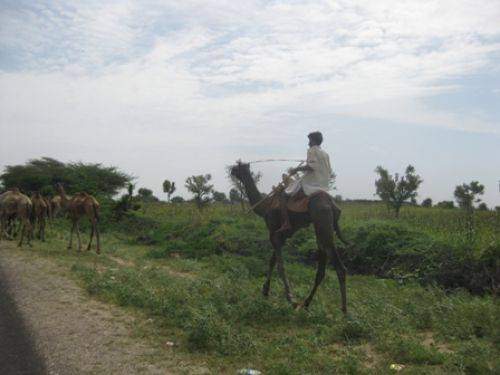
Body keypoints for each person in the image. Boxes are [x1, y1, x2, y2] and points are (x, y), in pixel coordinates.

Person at [277, 131, 333, 233]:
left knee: (284, 195)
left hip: (311, 184)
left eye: (309, 140)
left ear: (313, 140)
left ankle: (286, 223)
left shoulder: (312, 150)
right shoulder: (325, 154)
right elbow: (327, 169)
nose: (308, 143)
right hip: (324, 185)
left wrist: (296, 170)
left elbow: (311, 167)